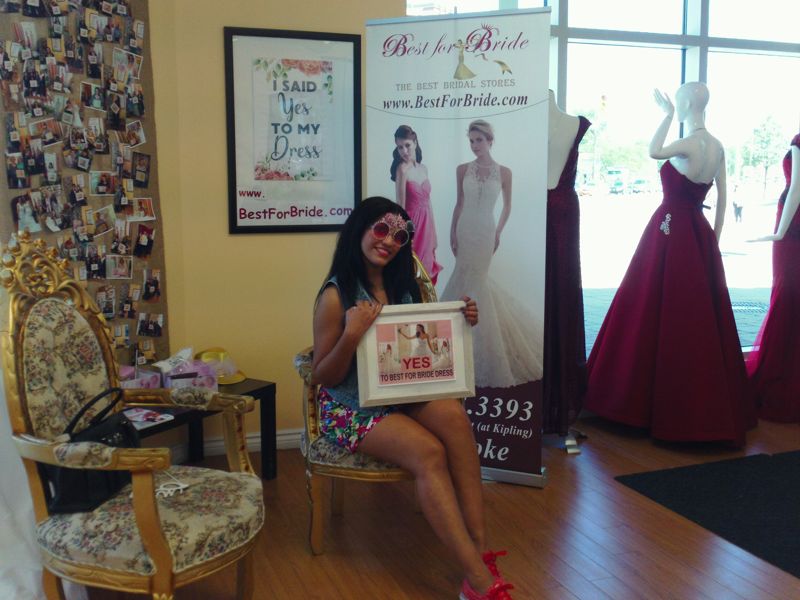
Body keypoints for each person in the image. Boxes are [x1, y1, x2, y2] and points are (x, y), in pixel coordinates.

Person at [311, 196, 513, 599]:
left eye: (399, 236)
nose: (389, 241)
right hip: (350, 407)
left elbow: (421, 345)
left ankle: (479, 548)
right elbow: (322, 375)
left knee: (455, 419)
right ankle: (477, 580)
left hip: (400, 392)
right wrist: (351, 335)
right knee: (428, 453)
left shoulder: (404, 287)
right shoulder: (335, 295)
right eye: (381, 229)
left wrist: (459, 320)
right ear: (360, 230)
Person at [585, 82, 755, 445]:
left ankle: (638, 405)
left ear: (686, 103)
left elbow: (654, 151)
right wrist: (713, 241)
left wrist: (665, 116)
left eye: (677, 102)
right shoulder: (718, 147)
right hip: (698, 232)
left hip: (669, 230)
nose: (676, 106)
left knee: (650, 306)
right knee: (692, 314)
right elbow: (723, 197)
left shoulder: (689, 143)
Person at [441, 119, 543, 389]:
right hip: (465, 228)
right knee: (462, 276)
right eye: (471, 141)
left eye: (479, 140)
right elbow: (459, 203)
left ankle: (479, 347)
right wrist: (452, 232)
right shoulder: (462, 169)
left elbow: (508, 206)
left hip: (486, 230)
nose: (474, 145)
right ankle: (454, 345)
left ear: (490, 141)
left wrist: (498, 232)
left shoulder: (505, 172)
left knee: (478, 281)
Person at [542, 90, 591, 436]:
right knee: (533, 293)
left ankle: (557, 402)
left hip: (562, 215)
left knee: (561, 293)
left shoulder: (575, 124)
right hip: (530, 210)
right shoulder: (522, 122)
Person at [747, 133, 800, 422]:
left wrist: (780, 231)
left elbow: (796, 188)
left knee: (786, 297)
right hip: (792, 225)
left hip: (792, 229)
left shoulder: (799, 140)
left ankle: (782, 380)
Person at [391, 125, 443, 284]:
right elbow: (400, 205)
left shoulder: (423, 169)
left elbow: (428, 201)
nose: (404, 151)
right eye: (400, 147)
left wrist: (434, 233)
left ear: (415, 143)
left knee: (426, 270)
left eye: (407, 145)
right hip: (412, 225)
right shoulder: (401, 170)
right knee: (413, 270)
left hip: (427, 226)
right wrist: (403, 234)